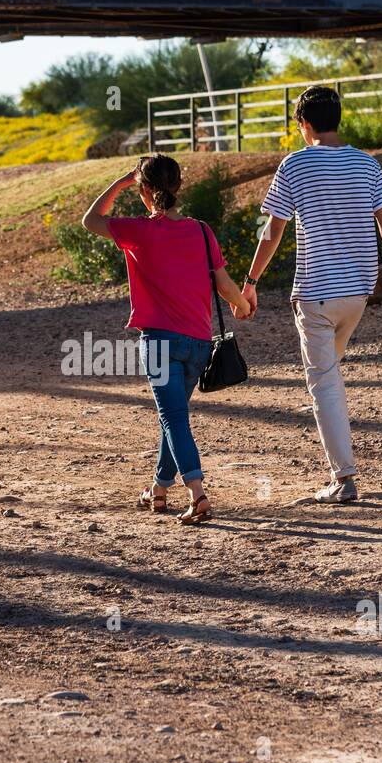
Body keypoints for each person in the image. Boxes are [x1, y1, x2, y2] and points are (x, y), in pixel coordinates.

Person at [240, 86, 382, 504]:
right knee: (331, 375)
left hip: (316, 294)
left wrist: (249, 283)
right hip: (358, 295)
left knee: (323, 382)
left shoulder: (295, 166)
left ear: (304, 124)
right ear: (337, 119)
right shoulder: (367, 165)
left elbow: (272, 231)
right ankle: (340, 468)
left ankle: (344, 480)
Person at [82, 154, 250, 524]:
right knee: (171, 417)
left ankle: (198, 494)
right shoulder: (202, 231)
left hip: (158, 342)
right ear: (178, 187)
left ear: (144, 190)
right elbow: (223, 284)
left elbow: (90, 219)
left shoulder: (139, 230)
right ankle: (158, 489)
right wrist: (241, 305)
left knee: (173, 418)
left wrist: (120, 182)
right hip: (198, 343)